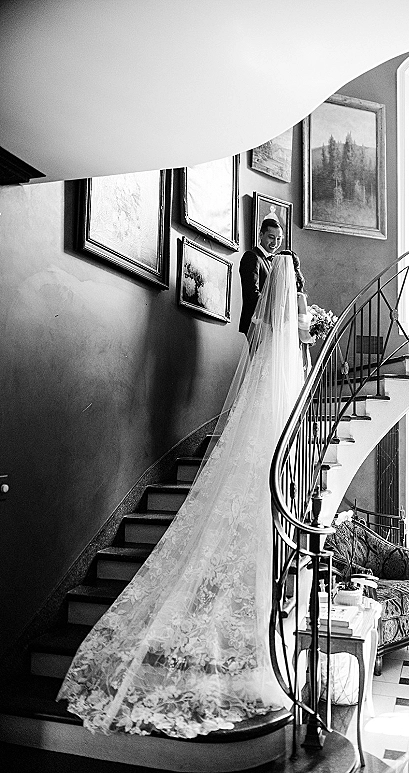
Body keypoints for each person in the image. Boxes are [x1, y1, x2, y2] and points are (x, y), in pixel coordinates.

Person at [57, 252, 308, 739]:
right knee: (279, 477)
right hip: (284, 411)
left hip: (270, 414)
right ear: (290, 282)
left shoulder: (269, 334)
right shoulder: (291, 320)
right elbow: (298, 333)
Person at [238, 217, 283, 337]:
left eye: (279, 239)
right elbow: (252, 293)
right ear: (261, 235)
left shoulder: (272, 262)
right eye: (271, 237)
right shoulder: (251, 257)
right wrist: (272, 313)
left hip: (269, 323)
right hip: (256, 321)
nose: (275, 243)